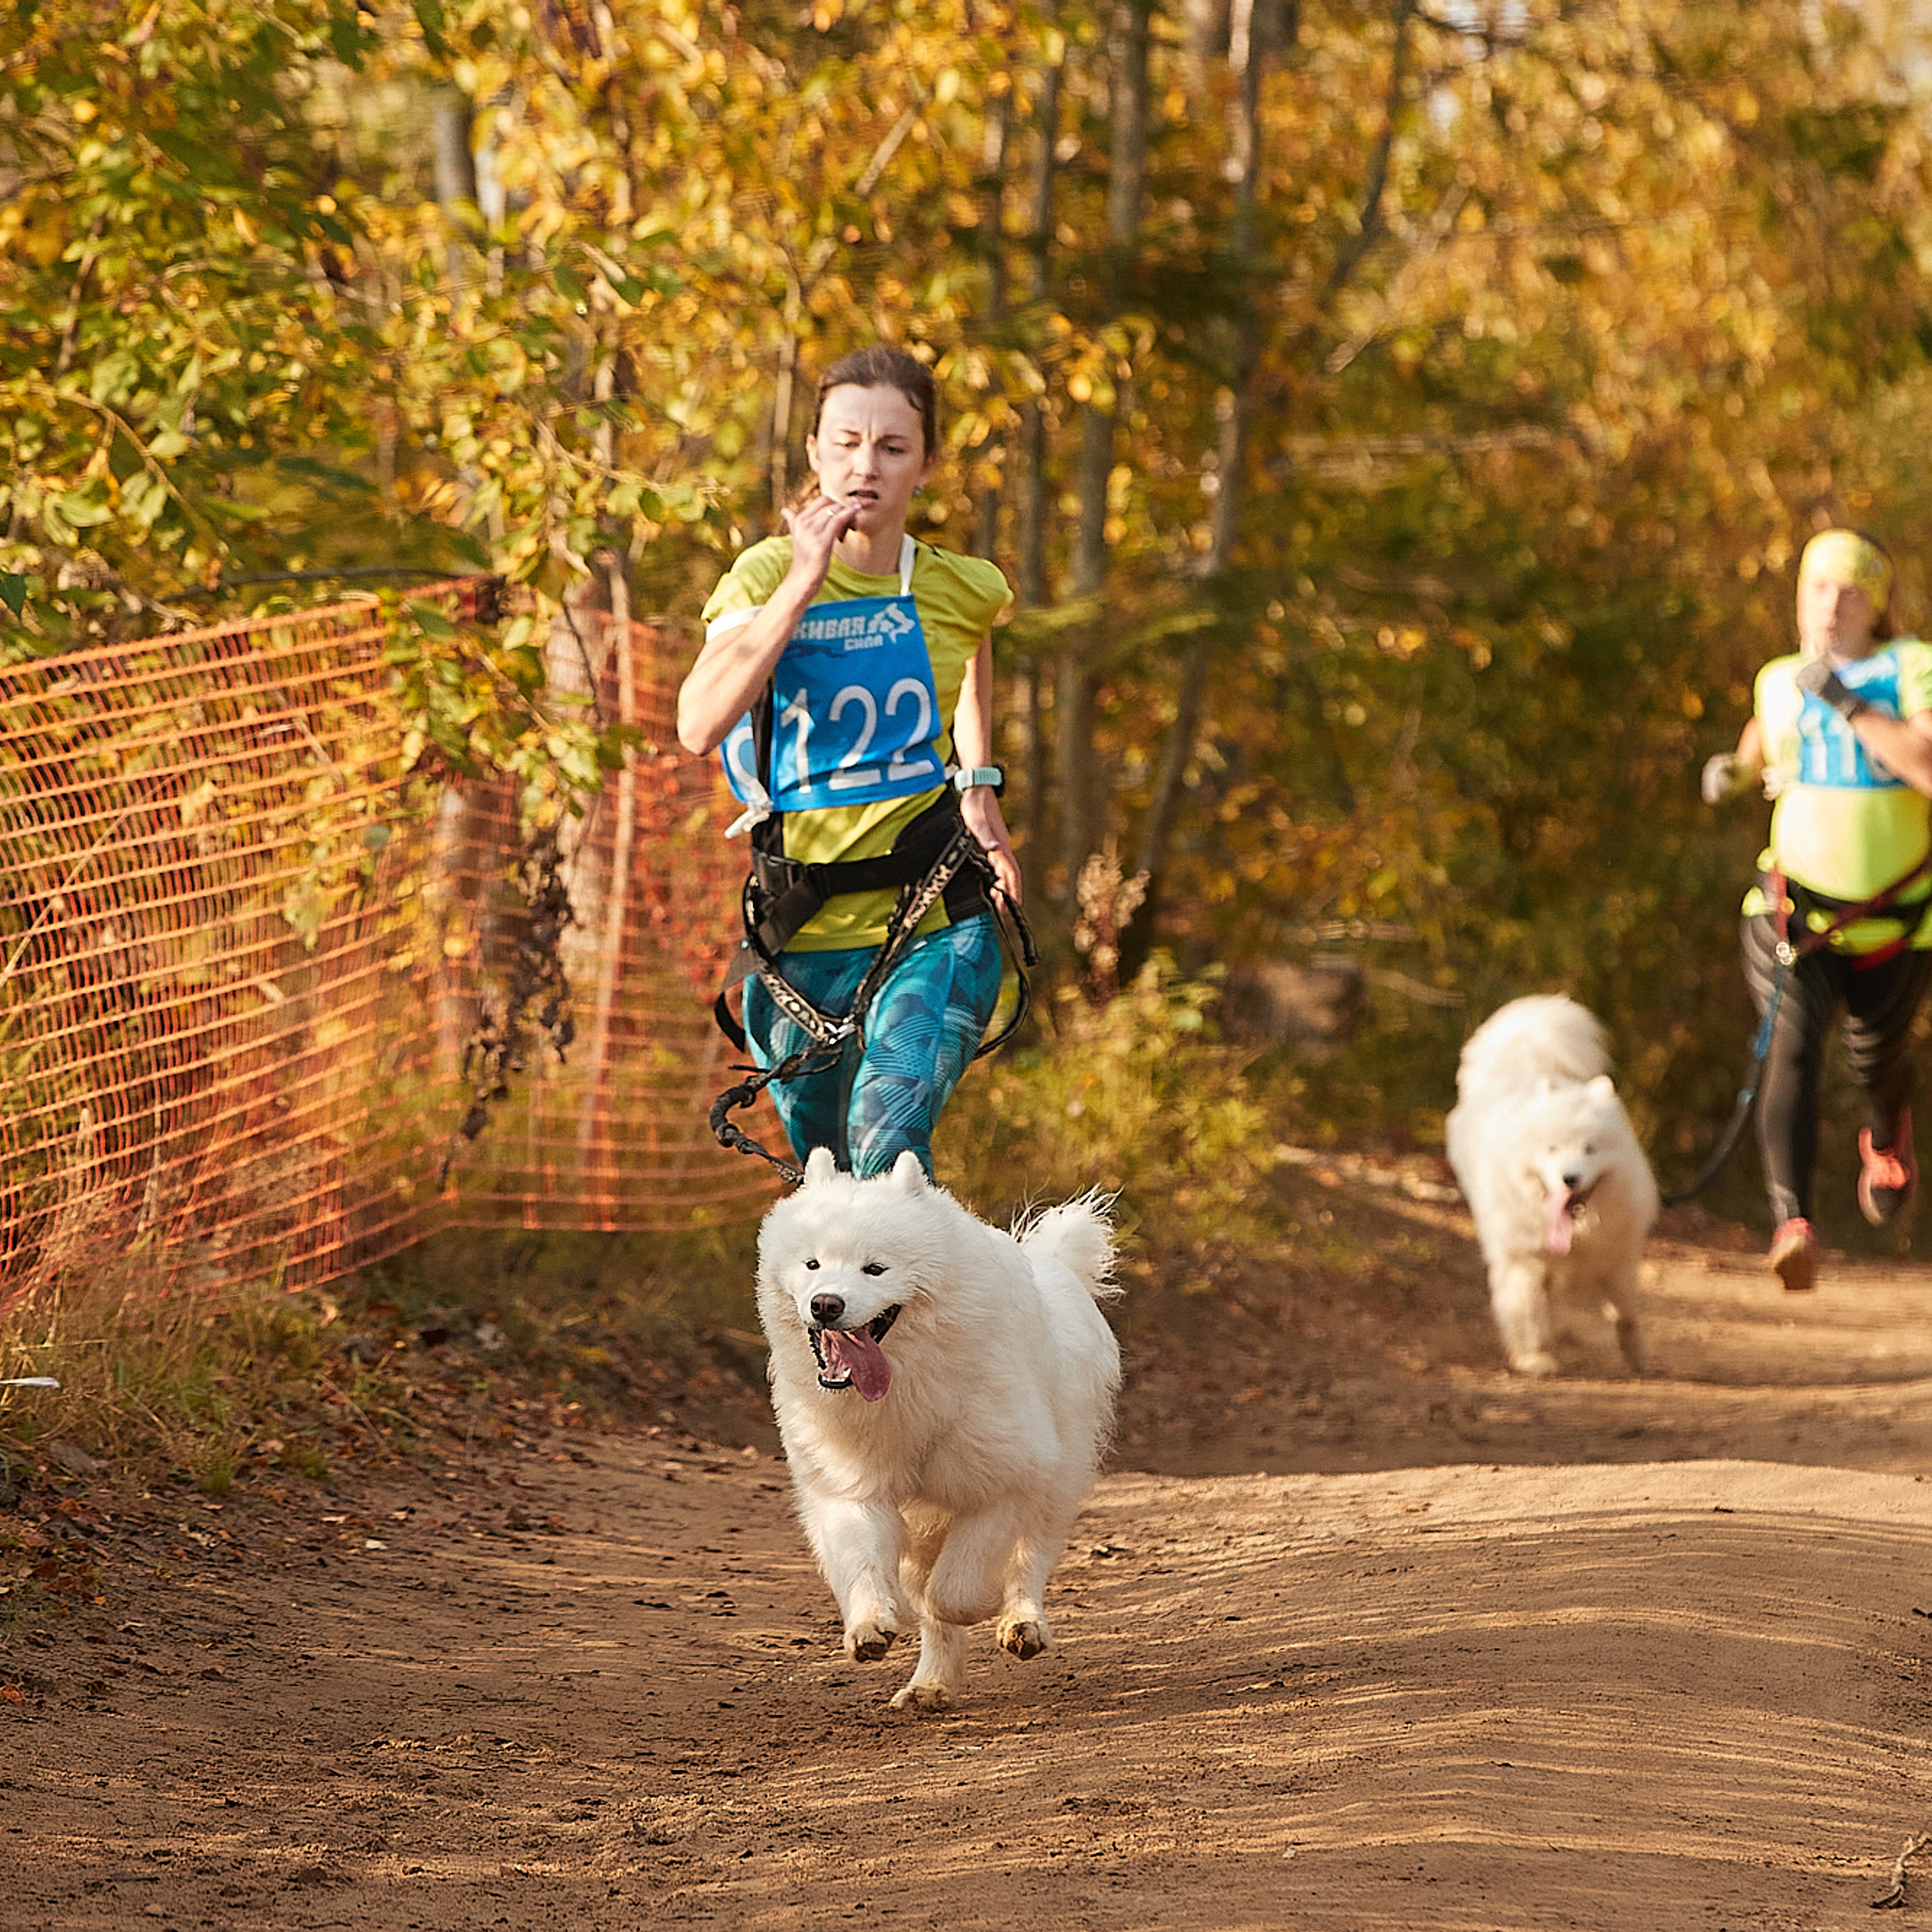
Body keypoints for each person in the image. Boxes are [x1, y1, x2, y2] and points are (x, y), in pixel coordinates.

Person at [677, 344, 1021, 1180]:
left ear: (926, 465)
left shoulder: (961, 583)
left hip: (934, 915)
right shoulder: (762, 574)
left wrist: (978, 786)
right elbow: (697, 722)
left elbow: (972, 644)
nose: (864, 466)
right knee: (826, 1176)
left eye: (892, 447)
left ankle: (956, 1313)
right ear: (814, 452)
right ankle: (869, 1315)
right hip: (800, 927)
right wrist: (801, 582)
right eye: (845, 442)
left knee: (885, 1144)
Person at [1703, 528, 1932, 1292]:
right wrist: (1730, 775)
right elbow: (1759, 742)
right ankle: (1791, 1222)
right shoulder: (1778, 679)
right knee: (1791, 1052)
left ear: (1879, 605)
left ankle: (1886, 1128)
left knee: (1876, 1060)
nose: (1829, 605)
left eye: (1849, 590)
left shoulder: (1911, 668)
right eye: (1815, 588)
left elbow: (1926, 765)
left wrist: (1845, 701)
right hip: (1790, 914)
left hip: (1896, 923)